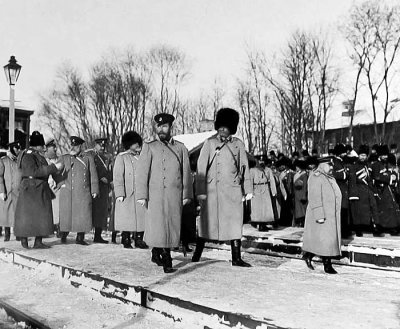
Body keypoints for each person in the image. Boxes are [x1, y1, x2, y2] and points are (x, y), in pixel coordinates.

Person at [193, 108, 253, 267]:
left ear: (231, 128)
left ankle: (236, 258)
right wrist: (200, 192)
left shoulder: (238, 144)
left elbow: (244, 167)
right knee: (206, 224)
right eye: (220, 128)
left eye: (225, 128)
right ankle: (197, 254)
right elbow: (201, 170)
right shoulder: (209, 143)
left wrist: (248, 190)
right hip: (212, 191)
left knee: (234, 223)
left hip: (232, 191)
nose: (222, 131)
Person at [136, 113, 193, 273]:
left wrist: (186, 194)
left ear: (170, 128)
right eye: (159, 126)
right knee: (158, 226)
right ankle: (167, 259)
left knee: (171, 226)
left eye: (165, 126)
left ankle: (156, 252)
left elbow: (186, 173)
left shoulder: (180, 148)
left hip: (174, 195)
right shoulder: (150, 146)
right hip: (155, 196)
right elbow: (142, 172)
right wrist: (142, 195)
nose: (161, 129)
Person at [14, 131, 64, 248]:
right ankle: (26, 240)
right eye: (42, 146)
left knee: (38, 216)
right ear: (37, 145)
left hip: (37, 188)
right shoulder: (29, 155)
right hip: (33, 188)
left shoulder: (33, 155)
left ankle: (37, 241)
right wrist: (53, 168)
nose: (44, 148)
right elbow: (33, 172)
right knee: (30, 216)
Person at [302, 156, 341, 274]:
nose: (332, 167)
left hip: (330, 215)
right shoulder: (316, 177)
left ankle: (308, 255)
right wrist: (319, 214)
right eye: (330, 165)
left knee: (323, 240)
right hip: (322, 214)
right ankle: (327, 265)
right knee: (325, 241)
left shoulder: (329, 177)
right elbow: (314, 197)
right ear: (323, 165)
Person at [57, 136, 99, 245]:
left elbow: (93, 175)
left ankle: (80, 238)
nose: (73, 148)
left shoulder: (88, 158)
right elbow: (56, 172)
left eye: (76, 146)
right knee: (67, 215)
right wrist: (60, 183)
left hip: (83, 192)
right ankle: (63, 234)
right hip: (68, 192)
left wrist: (94, 190)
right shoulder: (65, 158)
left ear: (80, 146)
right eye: (72, 145)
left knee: (83, 214)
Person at [113, 131, 147, 249]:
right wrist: (119, 193)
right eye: (134, 143)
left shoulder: (142, 158)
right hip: (127, 193)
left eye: (138, 142)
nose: (138, 145)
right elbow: (118, 177)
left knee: (141, 217)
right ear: (129, 144)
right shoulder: (121, 157)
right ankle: (125, 238)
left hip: (140, 192)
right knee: (127, 217)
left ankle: (139, 239)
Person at [348, 145, 383, 237]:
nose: (363, 157)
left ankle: (376, 226)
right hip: (359, 191)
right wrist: (353, 194)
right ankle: (358, 228)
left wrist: (374, 191)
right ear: (358, 155)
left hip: (368, 190)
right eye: (361, 155)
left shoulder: (368, 165)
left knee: (373, 208)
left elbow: (371, 179)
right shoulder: (354, 166)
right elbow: (352, 181)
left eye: (364, 155)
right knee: (359, 211)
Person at [84, 138, 113, 243]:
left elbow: (111, 171)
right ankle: (80, 234)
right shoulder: (90, 155)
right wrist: (101, 177)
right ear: (95, 145)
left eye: (104, 145)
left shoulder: (107, 157)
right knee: (91, 211)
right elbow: (90, 169)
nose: (102, 147)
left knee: (101, 212)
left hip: (104, 188)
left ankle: (98, 235)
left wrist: (108, 179)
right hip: (94, 186)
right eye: (100, 145)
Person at [0, 141, 22, 241]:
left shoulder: (19, 161)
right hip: (7, 191)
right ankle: (7, 235)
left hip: (17, 191)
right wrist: (2, 191)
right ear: (12, 149)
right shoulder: (3, 160)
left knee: (17, 212)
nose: (19, 151)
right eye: (17, 149)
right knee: (6, 213)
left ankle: (18, 234)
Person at [249, 157, 277, 231]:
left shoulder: (268, 170)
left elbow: (272, 180)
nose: (261, 162)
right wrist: (250, 192)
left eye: (262, 160)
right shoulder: (252, 170)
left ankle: (264, 224)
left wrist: (273, 191)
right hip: (256, 189)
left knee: (266, 208)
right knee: (257, 208)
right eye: (259, 160)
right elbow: (250, 181)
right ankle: (259, 224)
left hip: (265, 188)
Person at [332, 143, 351, 238]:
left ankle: (345, 230)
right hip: (339, 188)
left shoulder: (340, 162)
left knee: (344, 211)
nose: (345, 154)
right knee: (341, 211)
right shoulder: (335, 162)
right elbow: (334, 174)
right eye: (343, 152)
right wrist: (344, 175)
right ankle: (342, 231)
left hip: (343, 189)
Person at [44, 139, 61, 237]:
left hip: (57, 187)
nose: (55, 149)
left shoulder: (59, 159)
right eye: (53, 147)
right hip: (46, 187)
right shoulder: (44, 159)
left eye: (55, 147)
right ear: (47, 148)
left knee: (57, 208)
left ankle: (58, 227)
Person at [293, 159, 308, 227]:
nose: (296, 168)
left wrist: (304, 196)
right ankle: (299, 222)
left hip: (301, 194)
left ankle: (302, 222)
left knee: (302, 210)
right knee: (298, 210)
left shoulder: (304, 174)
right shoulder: (298, 174)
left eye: (297, 166)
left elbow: (305, 185)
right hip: (297, 194)